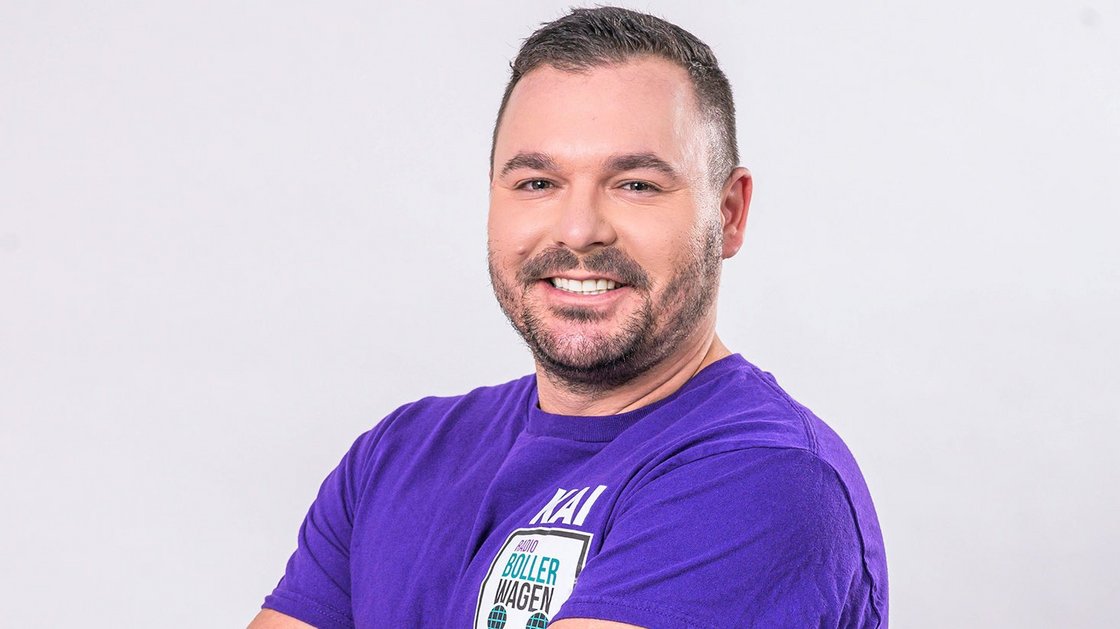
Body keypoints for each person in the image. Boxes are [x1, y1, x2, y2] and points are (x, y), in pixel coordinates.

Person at [250, 7, 888, 629]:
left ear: (728, 214)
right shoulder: (398, 456)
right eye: (537, 183)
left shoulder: (766, 477)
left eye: (636, 184)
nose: (579, 230)